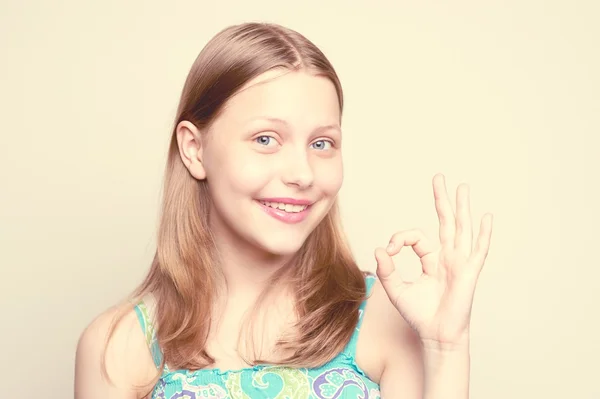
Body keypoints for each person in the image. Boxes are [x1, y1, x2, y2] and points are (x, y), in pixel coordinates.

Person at [74, 22, 493, 399]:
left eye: (321, 143)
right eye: (265, 139)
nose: (302, 173)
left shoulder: (385, 317)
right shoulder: (119, 347)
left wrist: (446, 347)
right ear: (194, 149)